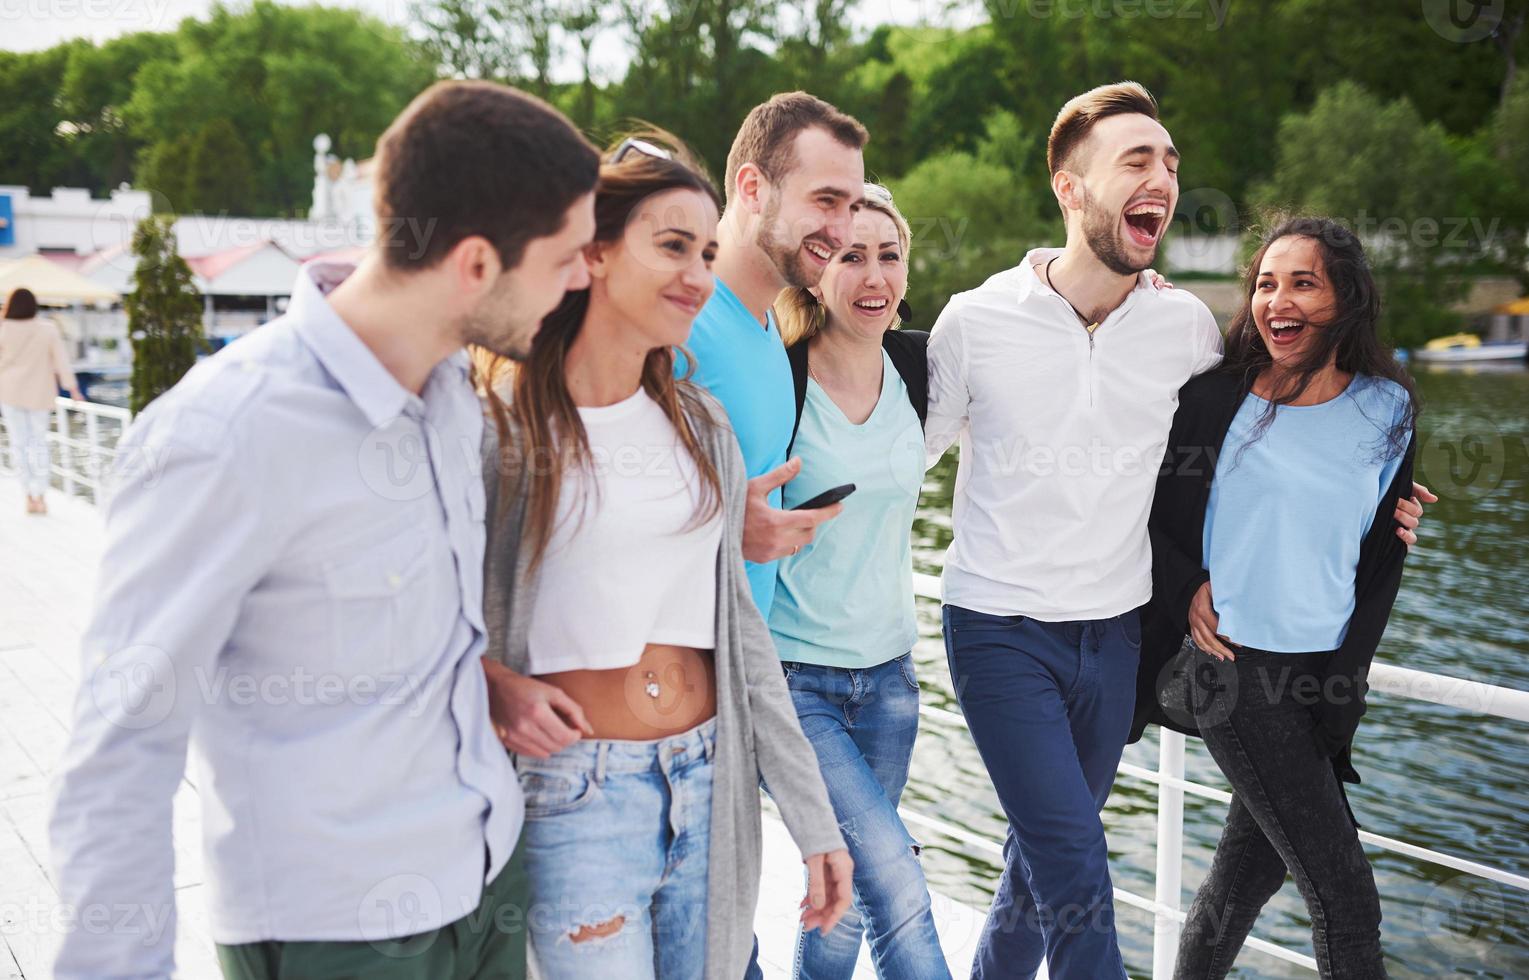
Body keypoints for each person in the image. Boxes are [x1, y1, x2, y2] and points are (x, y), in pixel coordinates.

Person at [47, 80, 599, 980]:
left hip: (489, 882)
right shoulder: (223, 438)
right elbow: (120, 747)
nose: (582, 278)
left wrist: (486, 681)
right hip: (335, 937)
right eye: (567, 255)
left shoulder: (454, 396)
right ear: (473, 265)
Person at [923, 81, 1431, 979]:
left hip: (1141, 644)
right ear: (1070, 187)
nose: (1163, 174)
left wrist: (1384, 510)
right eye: (1136, 159)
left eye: (1169, 161)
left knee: (1064, 875)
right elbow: (901, 453)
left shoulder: (1189, 331)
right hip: (1035, 635)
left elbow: (1304, 480)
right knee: (1083, 863)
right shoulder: (985, 321)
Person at [477, 131, 852, 980]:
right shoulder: (502, 430)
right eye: (673, 246)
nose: (698, 274)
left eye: (709, 252)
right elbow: (427, 612)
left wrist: (812, 819)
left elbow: (742, 636)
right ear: (597, 253)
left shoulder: (699, 427)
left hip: (710, 781)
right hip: (575, 796)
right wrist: (491, 684)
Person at [1134, 217, 1415, 979]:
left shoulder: (1389, 409)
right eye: (1264, 282)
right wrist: (1187, 582)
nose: (1276, 300)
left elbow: (1379, 554)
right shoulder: (1212, 401)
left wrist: (1342, 689)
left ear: (1345, 298)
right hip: (1230, 672)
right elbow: (1141, 514)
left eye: (1302, 282)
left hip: (1319, 680)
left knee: (1237, 887)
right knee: (1347, 900)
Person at [766, 182, 950, 979]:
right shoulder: (779, 383)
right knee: (894, 880)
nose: (873, 277)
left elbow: (1034, 330)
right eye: (849, 256)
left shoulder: (918, 365)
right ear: (813, 271)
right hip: (795, 681)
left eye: (888, 255)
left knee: (839, 898)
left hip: (891, 682)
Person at [675, 91, 869, 620]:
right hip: (656, 679)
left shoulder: (768, 334)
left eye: (851, 208)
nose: (842, 231)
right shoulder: (677, 320)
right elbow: (575, 501)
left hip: (740, 667)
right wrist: (726, 530)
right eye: (825, 201)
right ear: (753, 188)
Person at [0, 286, 82, 514]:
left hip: (9, 393)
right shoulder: (48, 329)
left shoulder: (4, 329)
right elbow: (61, 361)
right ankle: (41, 495)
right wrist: (73, 389)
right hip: (40, 393)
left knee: (19, 444)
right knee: (39, 443)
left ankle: (28, 496)